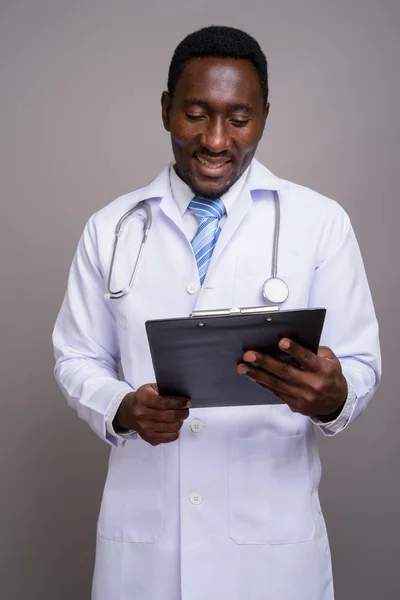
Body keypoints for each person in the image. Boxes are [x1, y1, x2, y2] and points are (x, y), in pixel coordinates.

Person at [53, 26, 381, 600]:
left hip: (270, 552)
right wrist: (124, 408)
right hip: (149, 555)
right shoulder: (111, 228)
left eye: (239, 117)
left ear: (264, 117)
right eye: (196, 113)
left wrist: (334, 396)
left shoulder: (319, 222)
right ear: (165, 110)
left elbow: (359, 362)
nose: (215, 139)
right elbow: (76, 356)